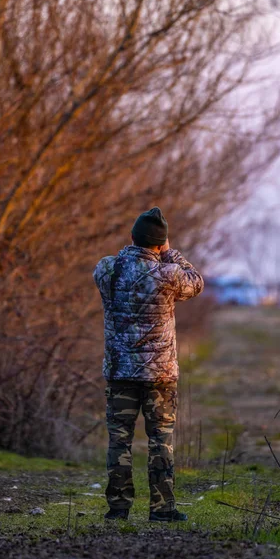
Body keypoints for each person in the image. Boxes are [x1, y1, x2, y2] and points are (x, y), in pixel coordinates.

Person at [93, 207, 204, 522]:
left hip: (119, 371)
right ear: (161, 243)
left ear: (132, 237)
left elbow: (114, 263)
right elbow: (196, 282)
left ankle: (118, 506)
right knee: (160, 439)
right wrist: (170, 253)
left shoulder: (108, 269)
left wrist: (134, 249)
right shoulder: (168, 275)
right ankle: (162, 508)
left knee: (119, 438)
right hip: (159, 374)